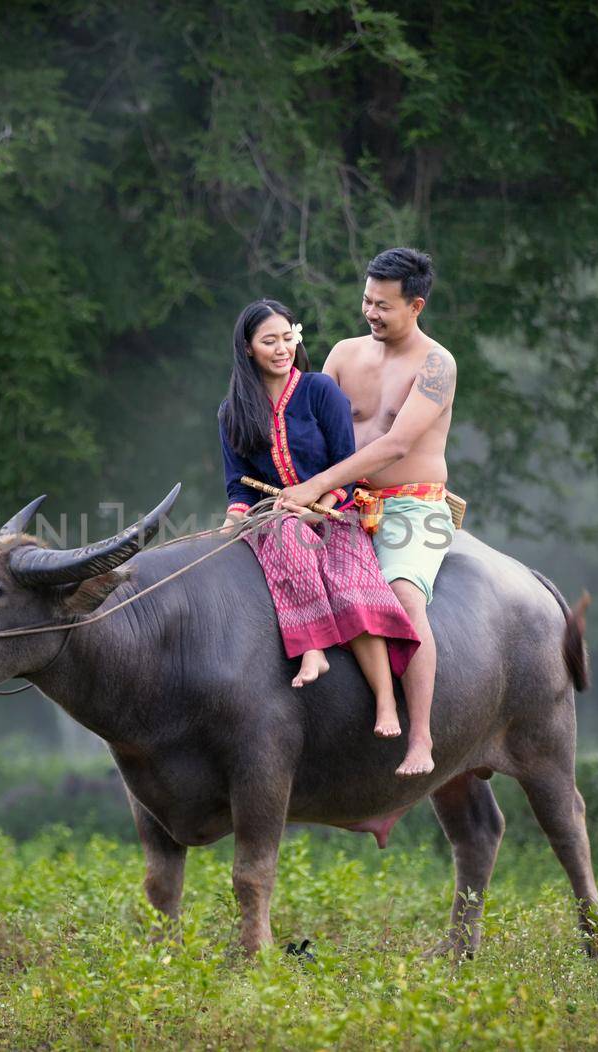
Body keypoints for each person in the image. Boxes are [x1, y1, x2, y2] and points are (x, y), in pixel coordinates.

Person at [277, 249, 456, 777]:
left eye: (383, 305)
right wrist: (304, 490)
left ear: (416, 305)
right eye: (366, 301)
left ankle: (421, 738)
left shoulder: (437, 364)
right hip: (342, 502)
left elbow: (397, 444)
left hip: (411, 506)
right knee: (279, 558)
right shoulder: (343, 354)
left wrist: (318, 484)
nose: (370, 313)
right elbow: (308, 425)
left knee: (402, 593)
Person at [219, 299, 421, 734]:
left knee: (353, 592)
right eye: (268, 341)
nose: (281, 349)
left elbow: (346, 466)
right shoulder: (231, 412)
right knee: (286, 531)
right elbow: (239, 488)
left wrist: (322, 507)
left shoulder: (319, 391)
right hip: (274, 522)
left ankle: (386, 702)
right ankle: (312, 648)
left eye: (287, 338)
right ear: (248, 349)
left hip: (337, 514)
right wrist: (229, 528)